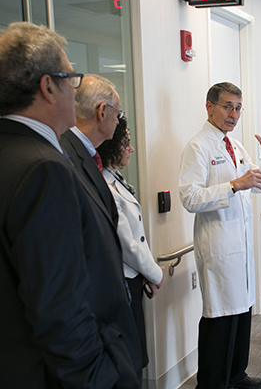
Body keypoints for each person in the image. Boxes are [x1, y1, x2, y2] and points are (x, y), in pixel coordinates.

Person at [0, 22, 141, 388]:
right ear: (48, 86)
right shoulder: (44, 168)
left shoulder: (12, 152)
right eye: (72, 78)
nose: (74, 91)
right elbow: (59, 305)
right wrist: (101, 378)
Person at [179, 82, 261, 389]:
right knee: (220, 321)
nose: (233, 114)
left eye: (238, 108)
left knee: (241, 316)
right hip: (218, 249)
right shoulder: (197, 147)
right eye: (227, 106)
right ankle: (212, 383)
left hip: (240, 247)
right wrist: (234, 185)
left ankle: (236, 376)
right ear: (209, 106)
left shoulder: (235, 147)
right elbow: (189, 197)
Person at [97, 115, 164, 368]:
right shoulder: (104, 183)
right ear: (111, 145)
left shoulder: (115, 178)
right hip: (124, 279)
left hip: (135, 276)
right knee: (131, 357)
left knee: (137, 353)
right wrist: (155, 272)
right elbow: (126, 242)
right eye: (126, 143)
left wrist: (146, 273)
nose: (131, 149)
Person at [60, 73, 122, 227]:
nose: (117, 121)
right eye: (117, 112)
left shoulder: (83, 152)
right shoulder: (65, 157)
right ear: (101, 112)